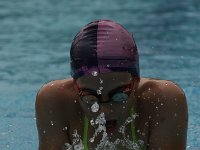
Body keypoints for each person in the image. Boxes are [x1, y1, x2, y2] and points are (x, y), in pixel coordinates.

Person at [35, 20, 188, 150]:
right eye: (90, 98)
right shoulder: (54, 102)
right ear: (76, 87)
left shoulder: (163, 100)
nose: (105, 110)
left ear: (135, 83)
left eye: (119, 96)